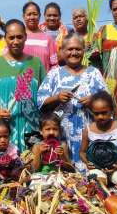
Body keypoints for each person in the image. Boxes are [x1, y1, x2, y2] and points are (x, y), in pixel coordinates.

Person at [37, 33, 107, 172]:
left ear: (83, 51)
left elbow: (107, 100)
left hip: (88, 131)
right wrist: (57, 97)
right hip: (61, 133)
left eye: (78, 49)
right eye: (69, 49)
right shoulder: (54, 74)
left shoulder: (94, 73)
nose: (73, 52)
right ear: (62, 51)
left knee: (91, 173)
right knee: (64, 171)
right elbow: (40, 101)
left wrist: (93, 100)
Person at [0, 19, 46, 151]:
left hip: (30, 126)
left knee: (31, 163)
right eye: (11, 37)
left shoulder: (36, 63)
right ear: (5, 39)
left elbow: (44, 96)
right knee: (2, 166)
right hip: (2, 130)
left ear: (25, 37)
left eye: (19, 37)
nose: (16, 41)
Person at [80, 91, 117, 192]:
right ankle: (104, 181)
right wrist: (87, 162)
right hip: (97, 169)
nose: (100, 117)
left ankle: (113, 180)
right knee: (96, 187)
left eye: (104, 113)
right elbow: (82, 152)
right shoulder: (88, 130)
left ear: (111, 110)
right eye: (96, 114)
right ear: (92, 112)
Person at [22, 2, 58, 72]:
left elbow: (55, 65)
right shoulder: (18, 37)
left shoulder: (48, 39)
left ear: (40, 16)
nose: (32, 17)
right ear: (23, 16)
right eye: (29, 14)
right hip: (21, 82)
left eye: (35, 14)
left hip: (44, 81)